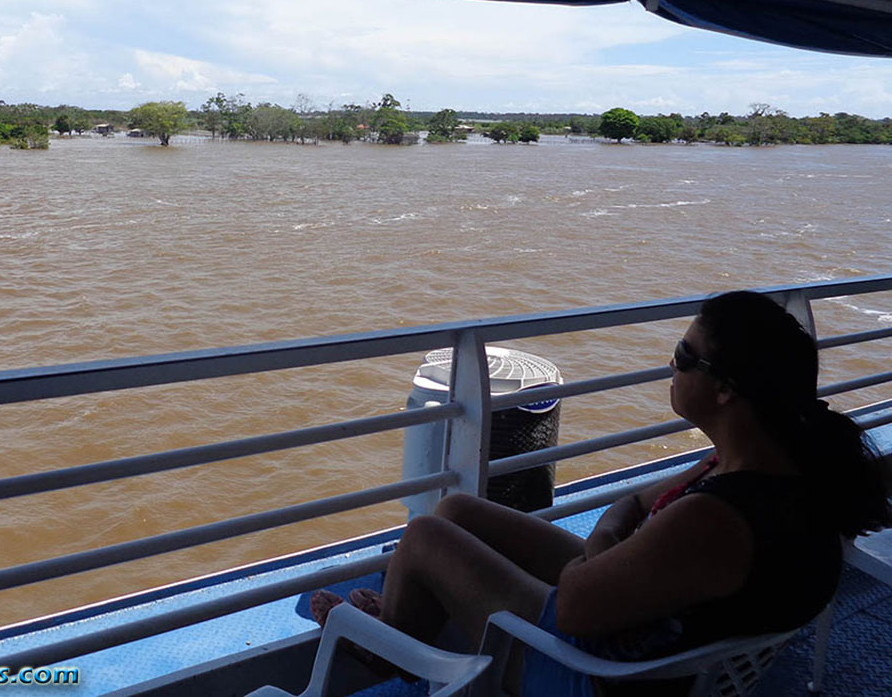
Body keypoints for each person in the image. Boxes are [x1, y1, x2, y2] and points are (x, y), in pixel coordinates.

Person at [311, 290, 890, 695]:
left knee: (427, 533)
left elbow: (574, 605)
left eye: (686, 356)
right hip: (652, 618)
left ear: (726, 392)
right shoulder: (776, 465)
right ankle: (400, 615)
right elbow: (636, 504)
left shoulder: (717, 520)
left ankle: (390, 643)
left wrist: (601, 553)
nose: (671, 364)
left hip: (597, 675)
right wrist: (611, 543)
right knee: (459, 506)